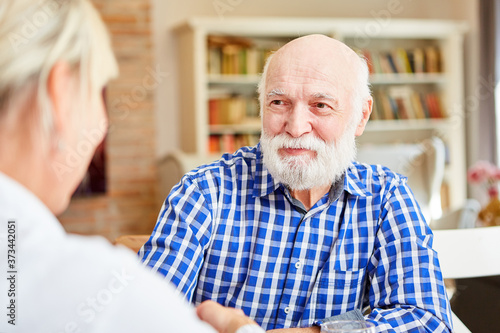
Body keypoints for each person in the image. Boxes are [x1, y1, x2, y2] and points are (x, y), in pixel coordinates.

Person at [140, 34, 453, 332]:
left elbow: (427, 321)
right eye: (279, 103)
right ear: (262, 106)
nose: (295, 127)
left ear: (360, 116)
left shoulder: (387, 197)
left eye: (320, 105)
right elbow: (141, 319)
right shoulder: (203, 192)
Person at [0, 1, 264, 332]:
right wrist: (238, 327)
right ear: (61, 94)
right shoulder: (99, 292)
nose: (103, 123)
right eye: (98, 91)